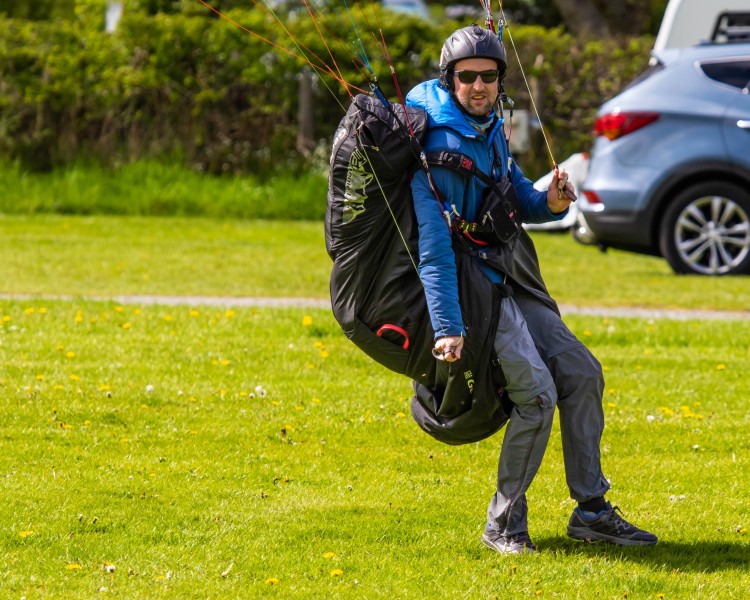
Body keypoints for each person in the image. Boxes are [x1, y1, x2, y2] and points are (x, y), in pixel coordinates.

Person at [406, 24, 658, 554]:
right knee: (538, 395)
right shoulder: (433, 144)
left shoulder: (490, 127)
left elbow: (517, 198)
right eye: (467, 77)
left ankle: (591, 511)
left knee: (583, 374)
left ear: (500, 82)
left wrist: (553, 201)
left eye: (488, 77)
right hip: (473, 293)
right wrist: (449, 328)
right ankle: (503, 523)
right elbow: (431, 248)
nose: (478, 86)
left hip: (509, 279)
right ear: (449, 80)